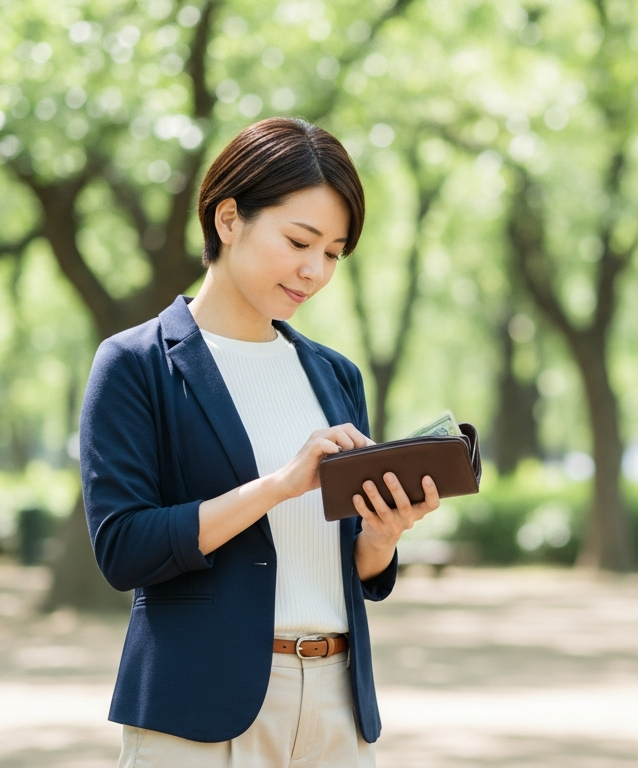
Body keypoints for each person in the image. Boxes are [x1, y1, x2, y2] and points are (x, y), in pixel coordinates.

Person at [79, 117, 441, 767]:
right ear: (227, 220)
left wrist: (382, 537)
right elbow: (123, 549)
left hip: (336, 706)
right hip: (197, 713)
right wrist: (279, 485)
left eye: (333, 252)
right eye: (300, 240)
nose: (315, 270)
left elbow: (345, 567)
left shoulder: (335, 375)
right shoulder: (136, 364)